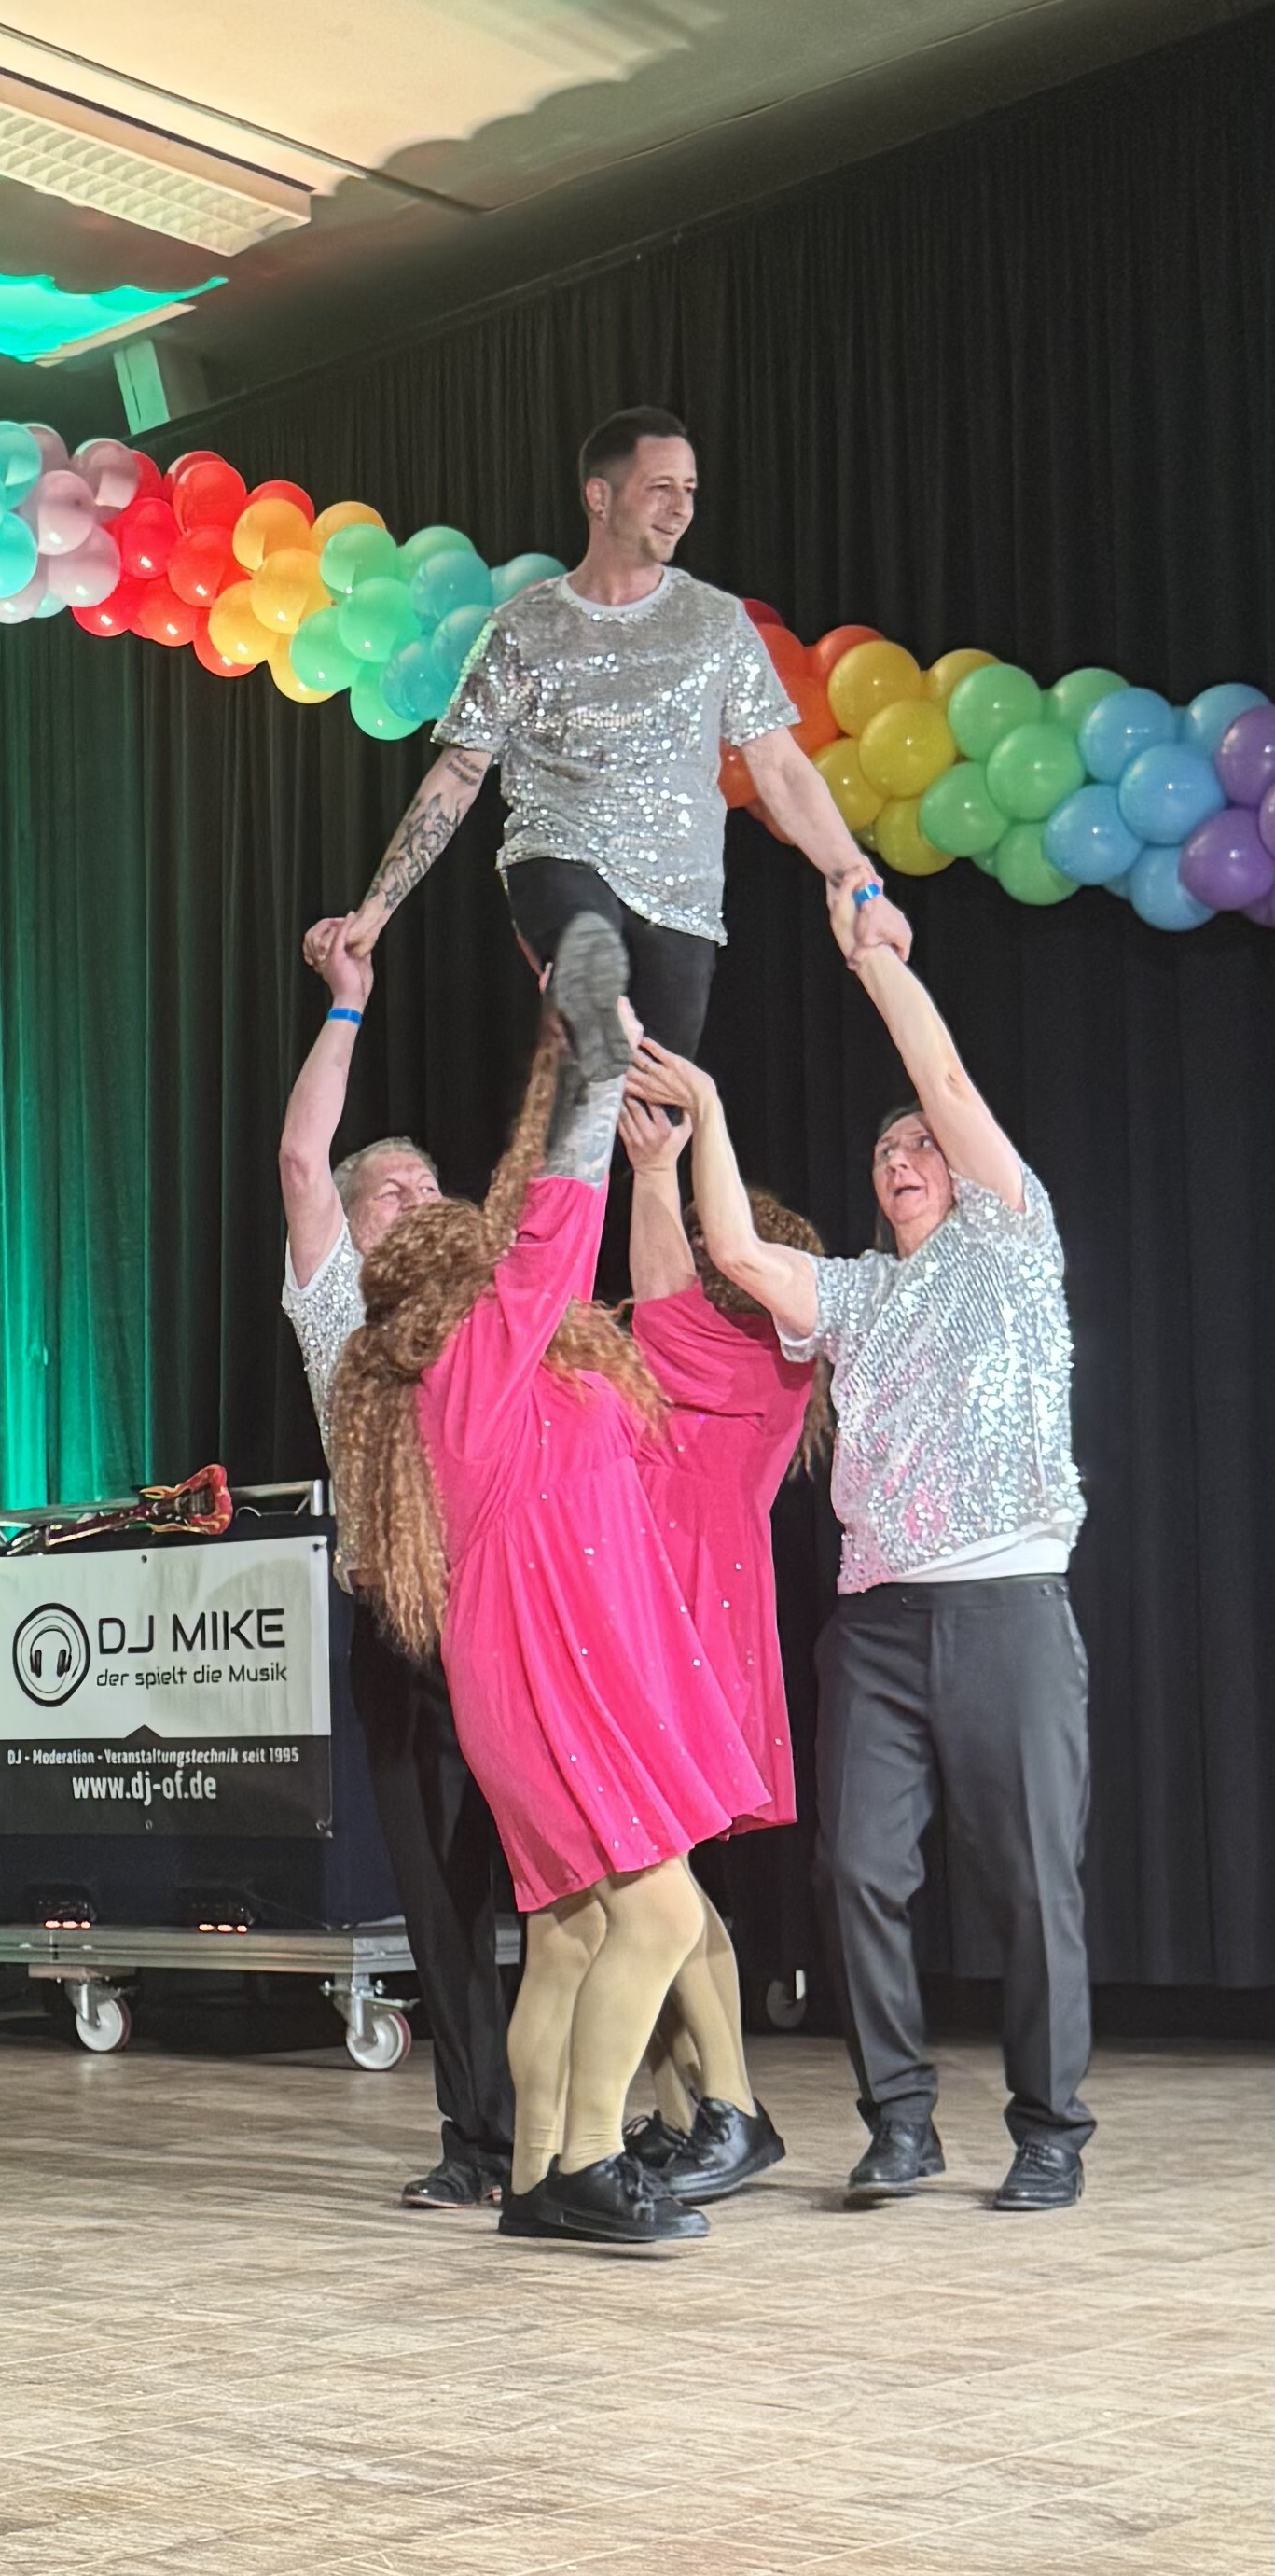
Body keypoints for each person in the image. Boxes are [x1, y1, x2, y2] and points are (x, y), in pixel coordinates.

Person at [635, 910, 1091, 2212]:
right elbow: (733, 1253)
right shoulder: (855, 1294)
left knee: (1030, 1882)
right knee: (854, 1873)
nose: (903, 1156)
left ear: (961, 1166)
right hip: (880, 1621)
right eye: (884, 1149)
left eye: (921, 1145)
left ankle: (1049, 2131)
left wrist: (875, 962)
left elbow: (939, 1076)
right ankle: (899, 2123)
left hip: (1006, 1605)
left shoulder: (1012, 1242)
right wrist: (707, 1118)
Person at [326, 954, 758, 2249]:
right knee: (660, 1914)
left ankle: (533, 2176)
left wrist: (569, 1054)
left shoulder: (496, 1376)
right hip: (553, 1675)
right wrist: (584, 1055)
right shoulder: (478, 1352)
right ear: (467, 1275)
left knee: (570, 1938)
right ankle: (584, 2161)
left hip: (539, 1672)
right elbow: (554, 1212)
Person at [302, 410, 903, 1048]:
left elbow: (779, 766)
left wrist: (858, 883)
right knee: (588, 959)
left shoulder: (715, 622)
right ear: (599, 496)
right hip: (559, 856)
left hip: (681, 898)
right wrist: (375, 911)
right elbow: (458, 773)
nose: (680, 508)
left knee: (653, 1097)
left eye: (689, 490)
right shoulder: (522, 626)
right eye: (660, 488)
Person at [275, 938, 515, 2206]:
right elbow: (300, 1155)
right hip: (397, 1624)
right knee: (441, 1900)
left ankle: (622, 2120)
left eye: (429, 1185)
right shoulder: (336, 1313)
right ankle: (479, 2142)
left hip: (509, 1620)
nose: (414, 1199)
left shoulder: (493, 1319)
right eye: (387, 1192)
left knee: (573, 1876)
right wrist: (350, 1001)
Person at [613, 1079, 829, 2203]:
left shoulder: (763, 1354)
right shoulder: (700, 1354)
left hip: (696, 1615)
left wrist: (654, 1171)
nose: (701, 1257)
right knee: (644, 1873)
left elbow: (660, 1302)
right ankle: (684, 2110)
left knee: (658, 1870)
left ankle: (733, 2105)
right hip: (657, 1605)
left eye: (718, 1247)